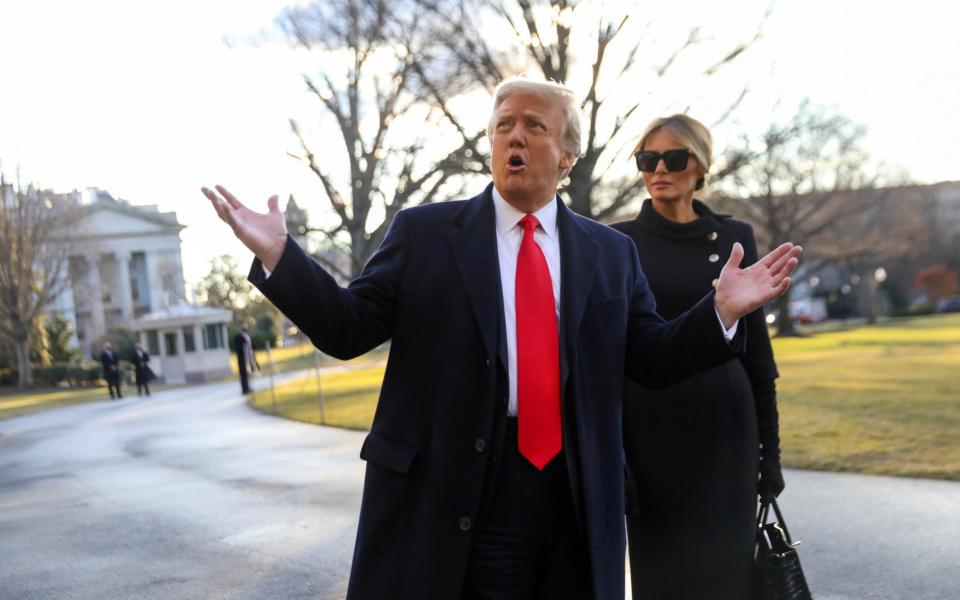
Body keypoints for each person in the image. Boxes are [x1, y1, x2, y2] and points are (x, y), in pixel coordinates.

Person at [202, 76, 800, 600]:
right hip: (463, 487)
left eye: (534, 125)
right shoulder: (426, 234)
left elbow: (650, 356)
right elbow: (346, 328)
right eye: (503, 125)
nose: (514, 137)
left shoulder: (609, 252)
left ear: (567, 155)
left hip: (574, 492)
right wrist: (283, 258)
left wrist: (718, 311)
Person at [612, 114, 785, 600]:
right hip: (651, 435)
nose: (659, 169)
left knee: (729, 575)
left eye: (673, 157)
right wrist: (617, 456)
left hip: (727, 432)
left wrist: (769, 455)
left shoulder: (734, 238)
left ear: (701, 164)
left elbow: (757, 353)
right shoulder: (616, 241)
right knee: (663, 576)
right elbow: (612, 356)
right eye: (647, 159)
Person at [233, 326, 258, 394]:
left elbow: (252, 345)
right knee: (243, 374)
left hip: (248, 358)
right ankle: (245, 389)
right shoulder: (239, 337)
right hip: (242, 359)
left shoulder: (247, 337)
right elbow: (239, 348)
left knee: (247, 373)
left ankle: (248, 387)